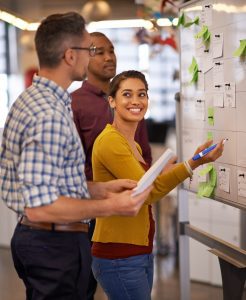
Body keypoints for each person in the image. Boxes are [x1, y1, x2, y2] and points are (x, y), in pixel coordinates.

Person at [0, 14, 152, 300]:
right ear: (70, 55)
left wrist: (99, 189)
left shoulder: (35, 100)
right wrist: (112, 206)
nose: (93, 57)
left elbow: (51, 183)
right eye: (89, 50)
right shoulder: (49, 114)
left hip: (46, 239)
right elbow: (41, 207)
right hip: (53, 242)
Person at [91, 70, 225, 300]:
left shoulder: (132, 144)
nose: (136, 101)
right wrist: (194, 163)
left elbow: (149, 182)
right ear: (112, 100)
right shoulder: (111, 141)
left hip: (137, 252)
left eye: (141, 94)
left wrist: (189, 162)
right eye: (127, 94)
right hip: (119, 255)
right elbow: (146, 193)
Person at [71, 31, 152, 299]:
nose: (108, 57)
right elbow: (70, 164)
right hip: (89, 213)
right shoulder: (74, 103)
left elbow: (145, 155)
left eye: (112, 50)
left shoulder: (129, 103)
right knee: (83, 288)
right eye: (99, 51)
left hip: (129, 209)